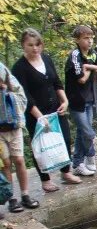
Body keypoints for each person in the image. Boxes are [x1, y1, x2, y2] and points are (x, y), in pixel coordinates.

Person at [12, 28, 82, 191]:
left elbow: (56, 82)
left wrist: (65, 100)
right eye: (30, 45)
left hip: (55, 108)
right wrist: (39, 117)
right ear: (23, 45)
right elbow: (24, 96)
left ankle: (66, 172)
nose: (34, 48)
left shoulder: (46, 59)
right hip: (35, 113)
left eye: (37, 44)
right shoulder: (19, 68)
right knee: (41, 146)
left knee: (64, 139)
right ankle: (45, 180)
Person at [65, 25, 97, 176]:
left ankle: (78, 163)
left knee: (83, 132)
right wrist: (90, 68)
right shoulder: (75, 55)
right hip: (77, 101)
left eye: (91, 38)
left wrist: (88, 66)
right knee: (88, 133)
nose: (89, 41)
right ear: (77, 40)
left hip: (89, 99)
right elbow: (81, 79)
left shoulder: (93, 54)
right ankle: (89, 156)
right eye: (86, 38)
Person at [0, 62, 38, 212]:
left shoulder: (9, 78)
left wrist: (6, 94)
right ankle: (12, 199)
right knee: (6, 163)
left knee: (20, 160)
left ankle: (25, 194)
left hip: (14, 126)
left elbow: (21, 97)